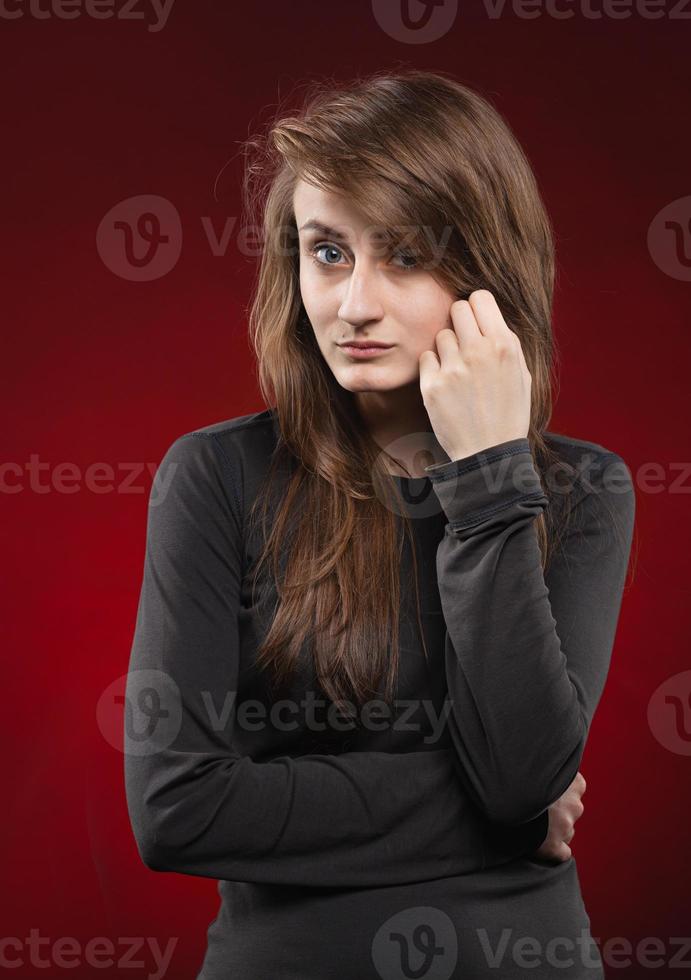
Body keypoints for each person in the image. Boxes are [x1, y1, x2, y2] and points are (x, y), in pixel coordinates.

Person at [124, 69, 636, 979]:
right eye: (328, 252)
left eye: (403, 256)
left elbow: (519, 768)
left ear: (487, 271)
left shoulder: (582, 492)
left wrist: (487, 480)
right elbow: (179, 808)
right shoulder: (215, 477)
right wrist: (507, 817)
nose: (354, 303)